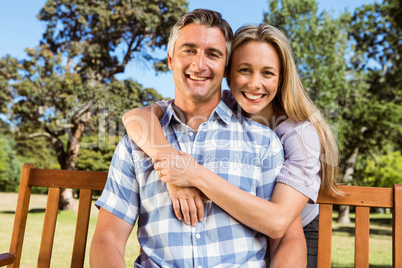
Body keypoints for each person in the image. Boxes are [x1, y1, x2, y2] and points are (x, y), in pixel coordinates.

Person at [90, 9, 307, 267]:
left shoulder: (264, 143)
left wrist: (192, 175)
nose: (199, 64)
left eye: (213, 54)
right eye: (189, 50)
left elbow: (288, 240)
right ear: (170, 59)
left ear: (226, 68)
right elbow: (108, 238)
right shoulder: (137, 143)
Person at [122, 23, 342, 267]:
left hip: (295, 227)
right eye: (245, 70)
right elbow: (136, 117)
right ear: (228, 72)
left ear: (281, 78)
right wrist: (172, 170)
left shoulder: (299, 136)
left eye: (267, 73)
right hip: (246, 228)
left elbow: (279, 222)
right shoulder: (226, 102)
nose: (254, 84)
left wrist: (194, 175)